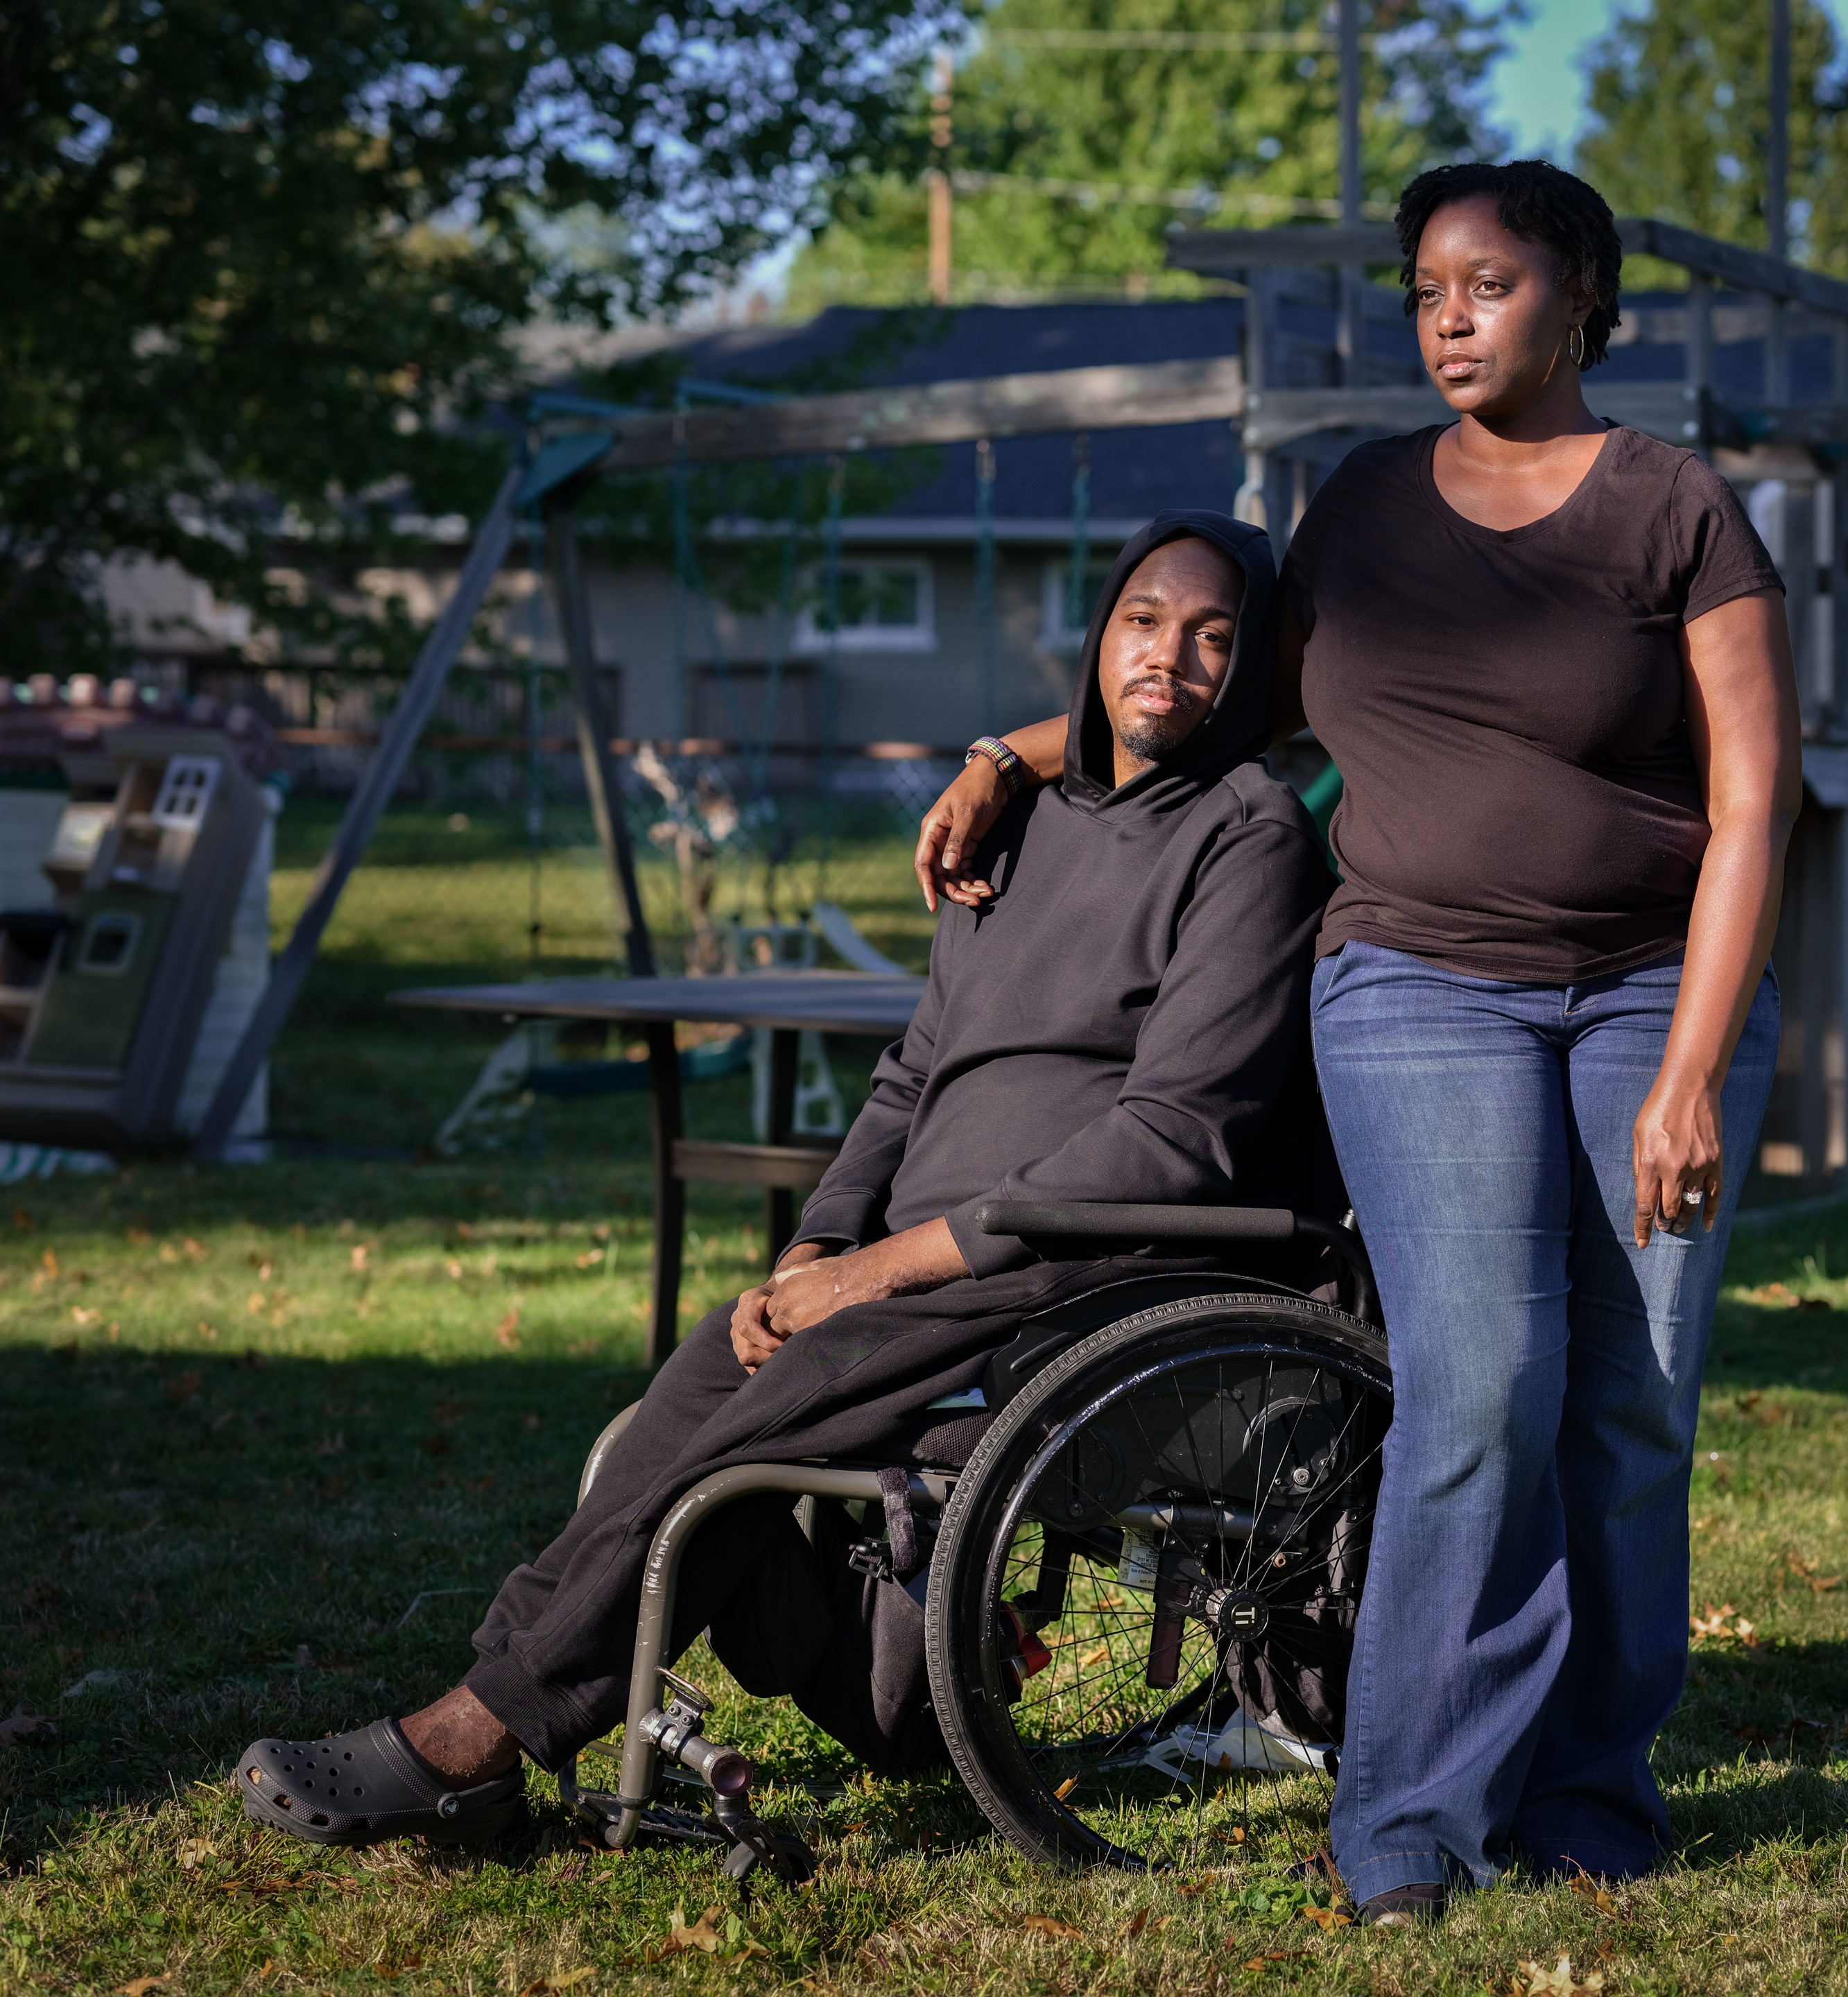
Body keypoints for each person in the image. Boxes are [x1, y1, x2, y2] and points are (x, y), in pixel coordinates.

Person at [910, 162, 1801, 1921]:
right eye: (1425, 290)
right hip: (1417, 986)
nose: (1450, 317)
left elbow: (1758, 796)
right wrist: (1012, 755)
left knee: (1632, 1418)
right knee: (1481, 1394)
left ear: (1583, 298)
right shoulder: (1366, 510)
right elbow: (1208, 701)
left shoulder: (1676, 508)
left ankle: (1588, 1789)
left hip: (1649, 992)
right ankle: (1406, 1822)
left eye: (1487, 284)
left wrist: (1692, 1067)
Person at [236, 512, 1333, 1848]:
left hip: (1080, 1256)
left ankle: (478, 1735)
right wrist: (815, 1249)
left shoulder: (1252, 837)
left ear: (1251, 672)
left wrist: (884, 1268)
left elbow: (1173, 1138)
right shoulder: (1019, 827)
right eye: (1145, 622)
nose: (1171, 659)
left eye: (1216, 639)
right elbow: (909, 1075)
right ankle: (519, 1703)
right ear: (1099, 634)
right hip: (926, 1263)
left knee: (770, 1408)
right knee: (705, 1376)